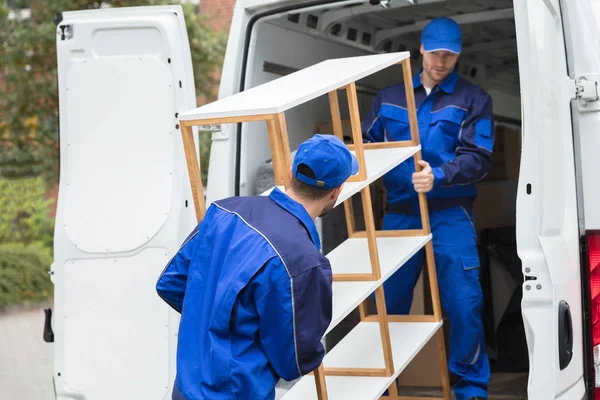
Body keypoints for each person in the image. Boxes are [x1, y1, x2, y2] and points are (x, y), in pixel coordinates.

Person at [156, 134, 358, 400]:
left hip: (184, 388)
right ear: (337, 191)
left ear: (290, 172)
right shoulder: (304, 262)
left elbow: (170, 283)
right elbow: (295, 360)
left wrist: (214, 322)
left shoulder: (223, 211)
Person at [362, 17, 493, 400]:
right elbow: (366, 149)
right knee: (387, 303)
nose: (441, 62)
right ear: (421, 49)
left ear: (458, 56)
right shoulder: (388, 98)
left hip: (450, 212)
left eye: (450, 56)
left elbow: (480, 157)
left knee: (464, 302)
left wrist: (440, 174)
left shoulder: (473, 99)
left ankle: (470, 390)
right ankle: (381, 387)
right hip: (400, 213)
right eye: (436, 53)